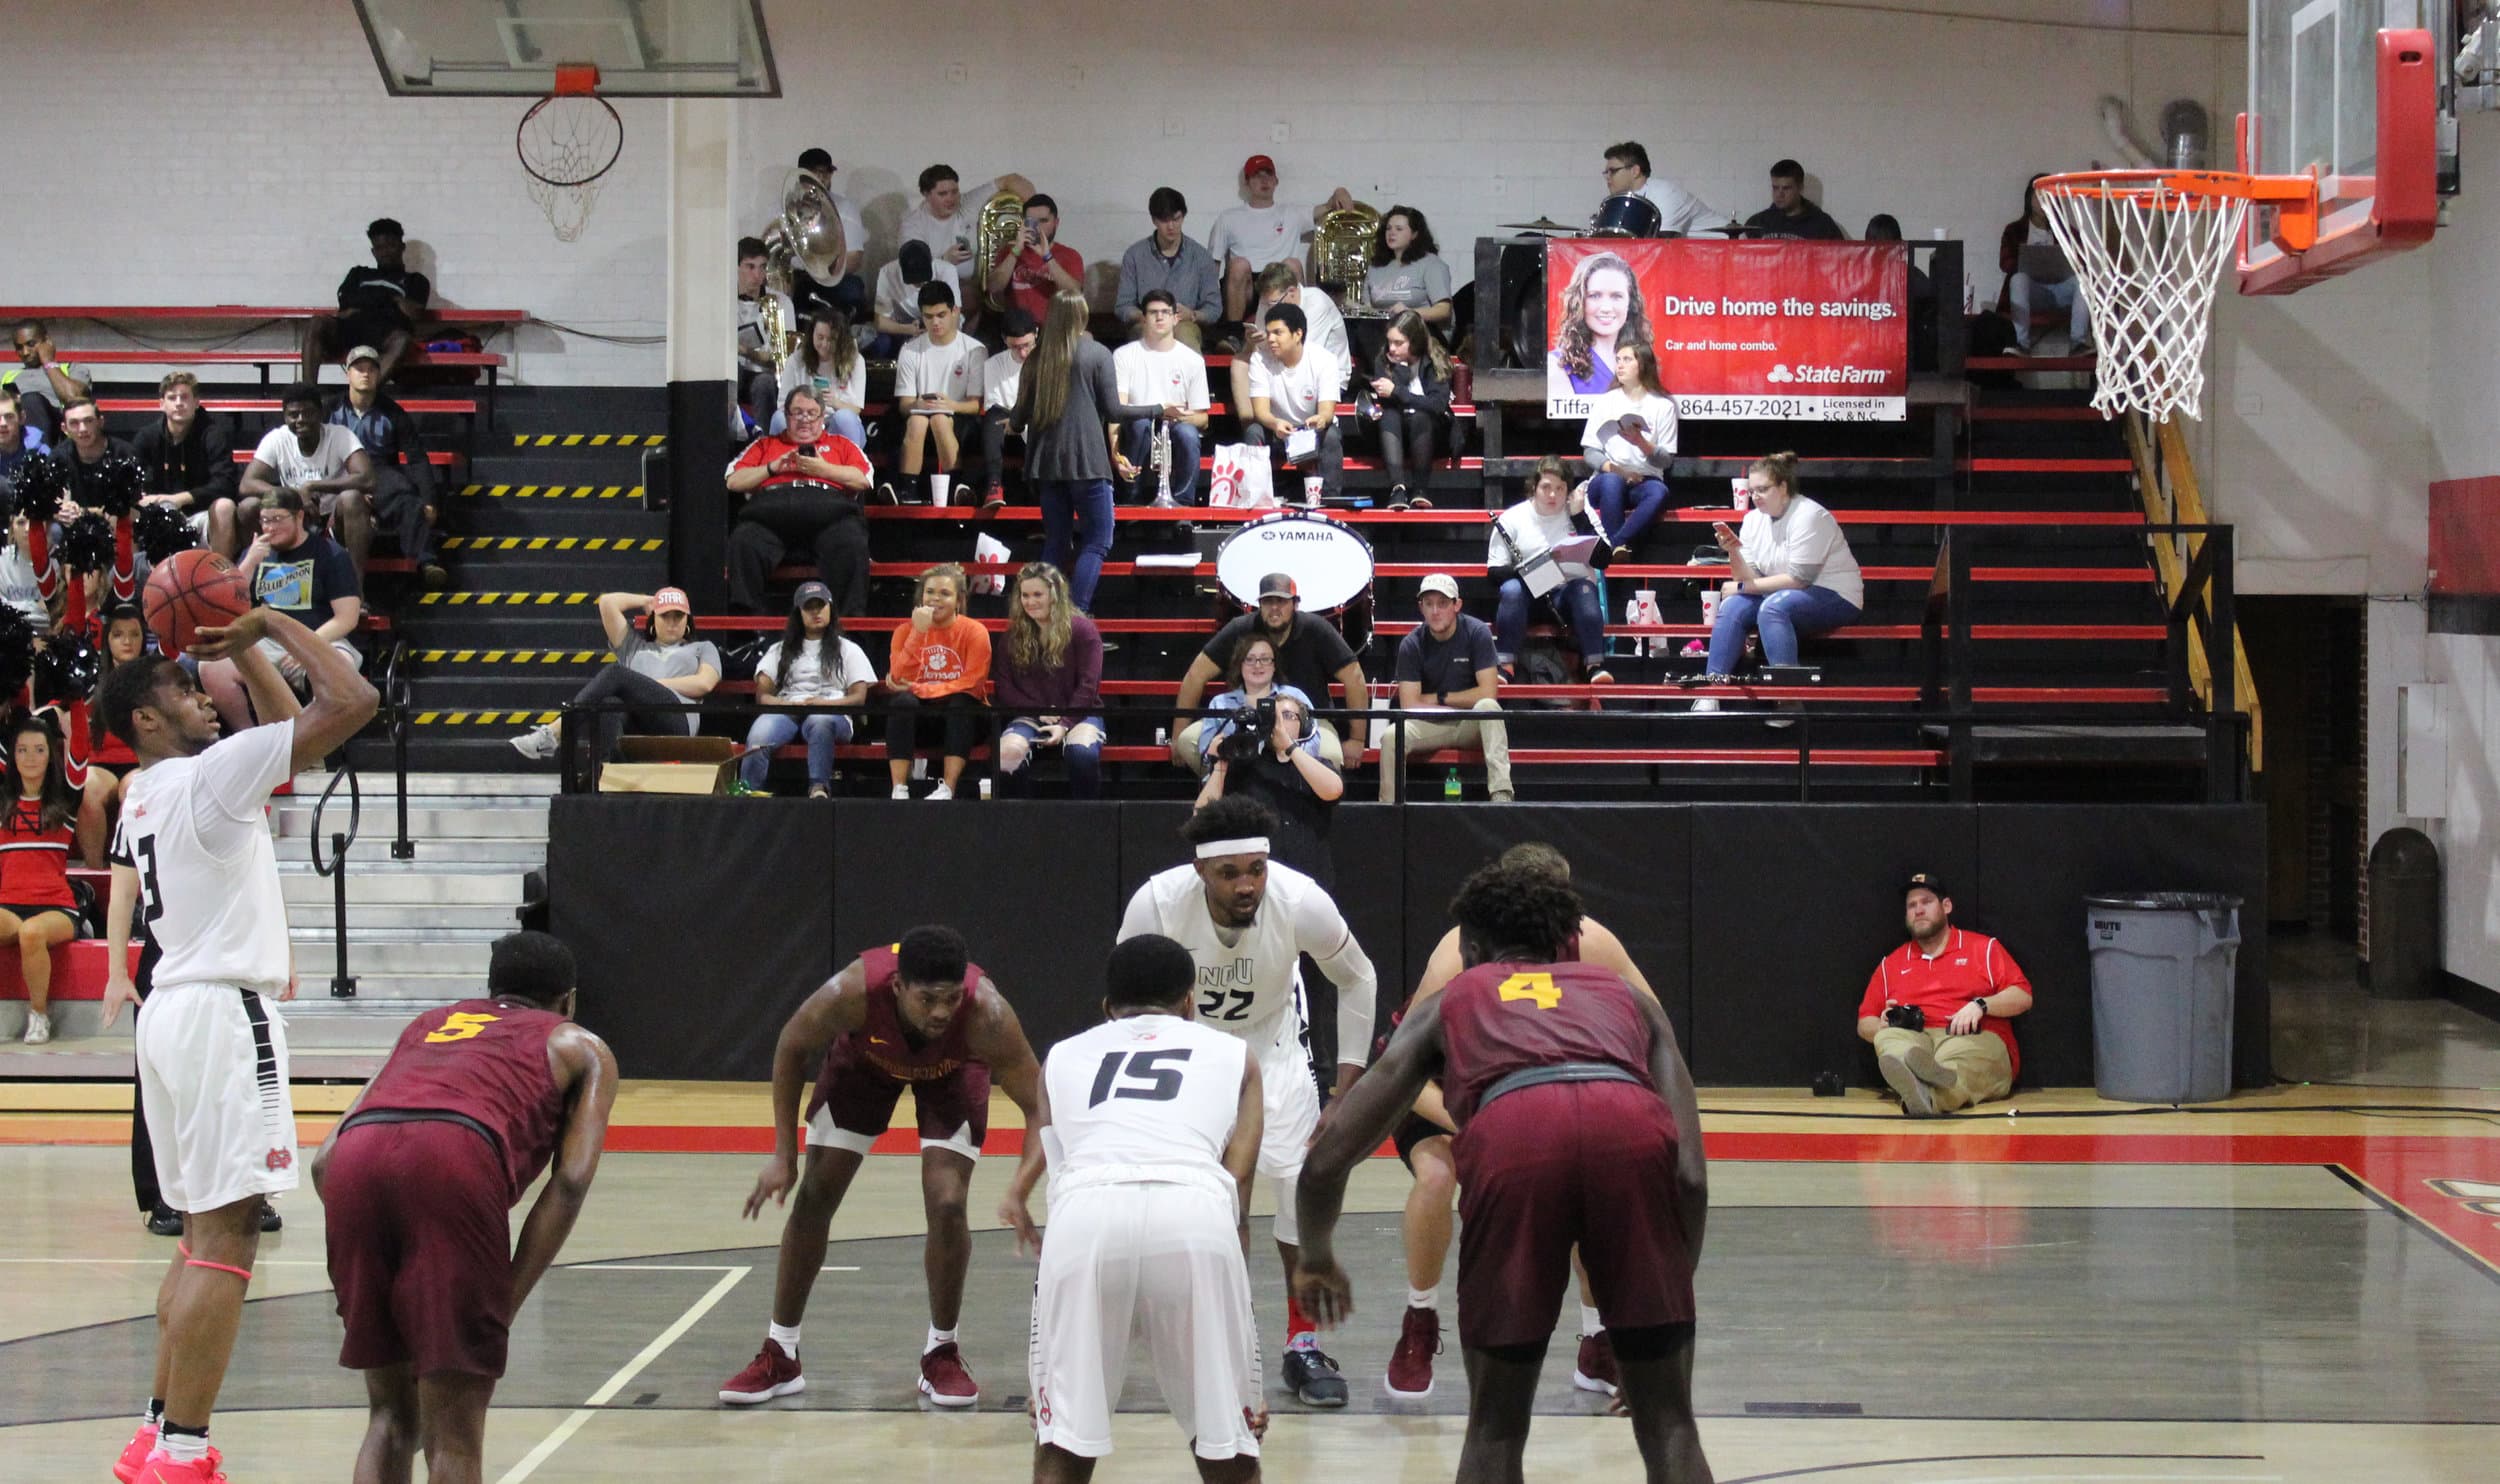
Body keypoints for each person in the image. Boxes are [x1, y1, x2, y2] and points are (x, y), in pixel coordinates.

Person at [1295, 860, 1711, 1484]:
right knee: (1671, 1423)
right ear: (1566, 939)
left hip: (1517, 1136)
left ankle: (1423, 1324)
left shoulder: (1451, 997)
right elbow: (1690, 1177)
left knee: (1494, 1427)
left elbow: (1330, 1155)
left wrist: (1317, 1255)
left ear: (1470, 945)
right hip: (1627, 1127)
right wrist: (1667, 1290)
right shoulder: (1631, 999)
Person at [95, 602, 379, 1484]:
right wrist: (271, 624)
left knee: (195, 1239)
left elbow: (296, 739)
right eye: (185, 688)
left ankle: (155, 1433)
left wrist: (251, 655)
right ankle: (184, 1450)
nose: (203, 695)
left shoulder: (149, 789)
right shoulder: (211, 776)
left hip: (172, 1010)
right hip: (222, 1015)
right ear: (146, 717)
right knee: (227, 1239)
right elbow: (352, 700)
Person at [312, 931, 618, 1484]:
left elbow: (323, 1161)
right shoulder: (579, 1044)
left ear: (489, 989)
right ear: (568, 1000)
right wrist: (506, 1293)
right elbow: (571, 1180)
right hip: (455, 1158)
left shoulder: (428, 1024)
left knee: (389, 1417)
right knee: (453, 1439)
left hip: (354, 1162)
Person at [1116, 797, 1381, 1407]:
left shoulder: (1299, 899)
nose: (1247, 884)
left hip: (1276, 1048)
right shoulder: (1157, 902)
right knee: (1215, 1201)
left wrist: (1346, 1090)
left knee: (1296, 1191)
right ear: (1200, 870)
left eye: (1256, 869)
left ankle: (1302, 1341)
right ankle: (1224, 1337)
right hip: (1190, 1051)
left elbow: (1358, 977)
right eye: (1231, 872)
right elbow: (1124, 992)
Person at [1380, 842, 1662, 1402]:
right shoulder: (1457, 952)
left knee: (1584, 1176)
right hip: (1442, 1088)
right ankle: (1419, 1319)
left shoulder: (1594, 942)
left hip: (1534, 1094)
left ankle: (1597, 1336)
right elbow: (1402, 1072)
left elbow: (1656, 1034)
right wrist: (1478, 1120)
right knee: (1437, 1178)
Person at [723, 925, 1043, 1409]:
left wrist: (1021, 1186)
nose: (941, 1011)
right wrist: (783, 1155)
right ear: (897, 987)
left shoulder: (987, 1016)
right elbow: (791, 1046)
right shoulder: (851, 992)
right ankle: (780, 1353)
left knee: (949, 1203)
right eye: (928, 999)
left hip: (952, 1071)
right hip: (866, 1064)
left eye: (952, 998)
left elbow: (1042, 1107)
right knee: (814, 1196)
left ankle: (942, 1353)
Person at [999, 934, 1266, 1482]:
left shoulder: (1060, 1058)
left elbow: (1062, 1164)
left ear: (1106, 1010)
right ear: (1190, 1002)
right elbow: (1237, 1181)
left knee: (1063, 1440)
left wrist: (1047, 1372)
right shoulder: (1237, 1056)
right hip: (1193, 1212)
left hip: (1088, 1216)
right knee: (1229, 1442)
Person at [1010, 290, 1161, 613]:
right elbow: (1114, 411)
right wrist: (1158, 409)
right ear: (1082, 317)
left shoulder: (1037, 358)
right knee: (1097, 541)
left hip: (1046, 464)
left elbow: (1017, 417)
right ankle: (1076, 614)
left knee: (1056, 542)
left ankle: (1044, 616)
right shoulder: (1096, 354)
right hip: (1088, 461)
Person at [1858, 873, 2034, 1117]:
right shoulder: (1891, 964)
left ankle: (1925, 1091)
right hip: (1917, 1040)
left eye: (1926, 902)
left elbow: (2023, 995)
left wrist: (1981, 1005)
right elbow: (1864, 1021)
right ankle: (1918, 1077)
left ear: (1947, 906)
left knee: (1961, 1059)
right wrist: (1883, 1025)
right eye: (1911, 905)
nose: (1918, 910)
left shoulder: (1983, 948)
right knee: (1890, 1040)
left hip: (1971, 1038)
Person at [1698, 452, 1863, 704]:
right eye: (1752, 490)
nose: (1755, 497)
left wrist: (1742, 586)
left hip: (1836, 594)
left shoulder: (1809, 515)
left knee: (1773, 608)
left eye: (1762, 489)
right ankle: (1711, 691)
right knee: (1733, 606)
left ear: (1783, 487)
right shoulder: (1752, 519)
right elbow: (1747, 576)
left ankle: (1788, 698)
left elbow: (1799, 579)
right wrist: (1732, 551)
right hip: (1779, 593)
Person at [1171, 573, 1370, 776]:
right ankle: (1226, 796)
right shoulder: (1240, 629)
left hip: (1309, 718)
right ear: (1259, 604)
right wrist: (1177, 735)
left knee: (1331, 756)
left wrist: (1357, 739)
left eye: (1281, 601)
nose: (1274, 608)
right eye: (1268, 601)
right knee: (1188, 741)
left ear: (1295, 603)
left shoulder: (1317, 629)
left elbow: (1354, 678)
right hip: (1244, 716)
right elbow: (1196, 675)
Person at [199, 487, 364, 732]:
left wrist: (305, 645)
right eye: (265, 520)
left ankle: (310, 741)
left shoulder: (330, 554)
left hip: (318, 637)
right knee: (211, 665)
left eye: (277, 519)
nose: (270, 528)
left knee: (343, 666)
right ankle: (251, 737)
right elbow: (226, 601)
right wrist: (250, 562)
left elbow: (347, 618)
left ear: (299, 517)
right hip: (266, 641)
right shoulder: (257, 553)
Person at [508, 590, 721, 772]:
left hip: (675, 721)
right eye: (665, 616)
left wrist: (654, 684)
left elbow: (704, 683)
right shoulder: (634, 647)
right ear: (653, 620)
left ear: (688, 622)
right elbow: (607, 602)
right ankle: (607, 773)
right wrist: (645, 600)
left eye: (678, 616)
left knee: (616, 673)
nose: (672, 622)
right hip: (635, 721)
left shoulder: (702, 648)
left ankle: (555, 733)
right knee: (609, 704)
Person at [724, 386, 874, 617]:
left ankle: (849, 633)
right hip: (771, 514)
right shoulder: (765, 445)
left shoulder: (842, 445)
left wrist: (824, 469)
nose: (804, 420)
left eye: (811, 413)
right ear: (786, 416)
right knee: (743, 540)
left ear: (822, 417)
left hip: (829, 514)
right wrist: (772, 469)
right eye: (797, 413)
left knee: (852, 541)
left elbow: (863, 479)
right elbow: (734, 480)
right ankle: (746, 635)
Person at [738, 581, 875, 800]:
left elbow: (858, 697)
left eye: (820, 605)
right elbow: (762, 695)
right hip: (789, 707)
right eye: (808, 607)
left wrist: (823, 704)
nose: (815, 612)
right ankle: (747, 794)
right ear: (798, 613)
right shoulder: (779, 649)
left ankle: (818, 788)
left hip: (831, 711)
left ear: (830, 608)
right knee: (759, 734)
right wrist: (786, 704)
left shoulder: (848, 649)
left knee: (820, 720)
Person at [1382, 574, 1512, 803]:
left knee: (1488, 706)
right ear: (1420, 607)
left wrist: (1438, 697)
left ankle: (1501, 794)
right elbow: (1410, 704)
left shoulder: (1477, 632)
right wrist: (1454, 700)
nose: (1435, 611)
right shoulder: (1411, 644)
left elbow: (1488, 693)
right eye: (1429, 604)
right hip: (1429, 726)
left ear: (1457, 605)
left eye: (1442, 603)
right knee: (1392, 735)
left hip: (1469, 723)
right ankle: (1389, 808)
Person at [329, 345, 447, 589]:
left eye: (371, 369)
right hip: (338, 471)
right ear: (347, 373)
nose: (365, 374)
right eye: (359, 368)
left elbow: (416, 457)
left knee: (408, 499)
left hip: (379, 472)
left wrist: (429, 500)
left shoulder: (393, 412)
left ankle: (427, 563)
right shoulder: (329, 409)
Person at [2, 714, 87, 1045]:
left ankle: (39, 1015)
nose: (30, 758)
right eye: (22, 750)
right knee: (23, 930)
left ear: (51, 755)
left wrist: (76, 704)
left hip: (56, 909)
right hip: (7, 905)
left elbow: (80, 755)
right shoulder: (3, 805)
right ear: (12, 756)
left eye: (39, 750)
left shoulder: (63, 802)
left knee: (32, 932)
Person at [1194, 692, 1343, 882]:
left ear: (1303, 727)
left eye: (1288, 716)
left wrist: (1288, 746)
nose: (1278, 723)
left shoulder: (1317, 764)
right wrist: (1221, 764)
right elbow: (1202, 816)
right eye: (1274, 716)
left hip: (1309, 878)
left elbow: (1333, 791)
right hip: (1257, 879)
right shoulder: (1243, 766)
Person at [1491, 456, 1613, 684]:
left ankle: (1594, 667)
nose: (1553, 495)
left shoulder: (1580, 512)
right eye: (1546, 487)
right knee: (1511, 589)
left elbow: (1604, 559)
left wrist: (1579, 517)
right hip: (1528, 598)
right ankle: (1505, 667)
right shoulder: (1513, 517)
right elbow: (1494, 572)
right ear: (1534, 488)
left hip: (1568, 597)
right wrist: (1530, 571)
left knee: (1585, 589)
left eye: (1560, 488)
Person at [240, 385, 378, 579]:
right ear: (284, 416)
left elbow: (367, 478)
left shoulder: (339, 435)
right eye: (293, 415)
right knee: (248, 506)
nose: (301, 420)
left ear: (321, 413)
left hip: (333, 519)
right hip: (293, 517)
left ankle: (355, 588)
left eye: (308, 413)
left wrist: (312, 486)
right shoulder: (277, 438)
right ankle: (254, 583)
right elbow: (247, 483)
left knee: (352, 498)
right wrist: (294, 495)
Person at [994, 562, 1105, 799]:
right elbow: (1004, 688)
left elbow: (1088, 685)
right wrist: (1039, 711)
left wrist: (1064, 723)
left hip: (1081, 713)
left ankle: (1088, 820)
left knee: (1082, 754)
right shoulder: (1013, 636)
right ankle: (1021, 824)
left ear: (1055, 595)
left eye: (1037, 595)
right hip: (1031, 713)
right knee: (1005, 756)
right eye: (1025, 595)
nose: (1030, 602)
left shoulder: (1083, 629)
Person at [882, 563, 990, 801]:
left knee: (961, 702)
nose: (935, 599)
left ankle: (948, 788)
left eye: (945, 593)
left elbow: (972, 682)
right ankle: (899, 788)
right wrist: (918, 633)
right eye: (930, 592)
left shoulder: (975, 631)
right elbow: (899, 679)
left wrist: (919, 688)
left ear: (959, 600)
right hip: (921, 720)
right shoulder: (904, 630)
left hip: (965, 721)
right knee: (901, 702)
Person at [1207, 155, 1355, 327]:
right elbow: (1213, 264)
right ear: (1247, 182)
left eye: (1268, 175)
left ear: (1276, 181)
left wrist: (1340, 191)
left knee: (1293, 264)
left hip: (1281, 280)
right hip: (1245, 286)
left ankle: (1301, 326)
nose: (1264, 180)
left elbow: (1330, 207)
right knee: (1239, 265)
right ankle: (1233, 333)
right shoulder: (1228, 218)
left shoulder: (1292, 213)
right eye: (1257, 176)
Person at [1112, 291, 1212, 507]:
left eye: (1165, 312)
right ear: (1144, 318)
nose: (1159, 317)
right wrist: (1115, 452)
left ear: (1175, 318)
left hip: (1175, 424)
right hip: (1138, 424)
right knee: (1140, 425)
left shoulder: (1192, 360)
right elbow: (1117, 410)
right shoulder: (1123, 355)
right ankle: (1132, 499)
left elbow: (1203, 419)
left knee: (1187, 434)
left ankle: (1184, 504)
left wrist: (1177, 417)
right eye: (1153, 312)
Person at [303, 218, 433, 384]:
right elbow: (344, 310)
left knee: (403, 340)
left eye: (390, 246)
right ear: (373, 252)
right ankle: (308, 392)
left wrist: (369, 299)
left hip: (385, 332)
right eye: (379, 248)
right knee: (317, 322)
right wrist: (392, 300)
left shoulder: (415, 280)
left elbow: (414, 313)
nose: (385, 252)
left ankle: (364, 396)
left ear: (402, 247)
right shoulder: (358, 273)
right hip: (351, 329)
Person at [1581, 340, 1678, 560]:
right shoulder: (1606, 401)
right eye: (1618, 360)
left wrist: (1641, 442)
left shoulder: (1663, 406)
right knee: (1611, 481)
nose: (1620, 366)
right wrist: (1622, 472)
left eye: (1627, 359)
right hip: (1609, 477)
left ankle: (1616, 544)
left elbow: (1666, 460)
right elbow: (1590, 452)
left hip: (1645, 478)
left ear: (1642, 364)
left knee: (1659, 493)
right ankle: (1618, 545)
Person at [891, 282, 984, 505]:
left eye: (941, 315)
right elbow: (904, 404)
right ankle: (908, 490)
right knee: (917, 421)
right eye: (928, 316)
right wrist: (919, 404)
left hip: (960, 420)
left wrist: (949, 405)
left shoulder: (974, 349)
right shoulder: (910, 349)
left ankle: (955, 486)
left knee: (940, 420)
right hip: (920, 421)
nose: (935, 322)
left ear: (955, 312)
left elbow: (974, 405)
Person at [132, 374, 243, 560]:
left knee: (225, 507)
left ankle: (221, 580)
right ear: (161, 404)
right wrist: (143, 500)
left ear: (196, 402)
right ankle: (133, 580)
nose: (179, 403)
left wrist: (181, 499)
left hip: (201, 516)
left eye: (184, 397)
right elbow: (130, 479)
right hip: (158, 514)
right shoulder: (146, 437)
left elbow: (226, 483)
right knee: (125, 511)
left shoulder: (213, 434)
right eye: (172, 398)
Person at [1243, 303, 1343, 506]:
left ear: (1298, 334)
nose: (1270, 339)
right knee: (1253, 431)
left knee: (1332, 434)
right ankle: (1256, 499)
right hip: (1278, 431)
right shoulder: (1259, 359)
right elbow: (1260, 412)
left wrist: (1320, 419)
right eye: (1269, 333)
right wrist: (1275, 424)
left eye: (1278, 333)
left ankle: (1331, 501)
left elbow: (1327, 412)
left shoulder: (1324, 360)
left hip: (1311, 432)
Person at [1230, 261, 1348, 429]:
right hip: (1278, 364)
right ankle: (1252, 429)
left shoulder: (1317, 302)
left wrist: (1268, 341)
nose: (1270, 308)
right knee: (1239, 364)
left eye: (1273, 303)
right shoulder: (1269, 302)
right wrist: (1251, 343)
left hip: (1316, 374)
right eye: (1266, 303)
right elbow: (1259, 353)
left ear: (1291, 292)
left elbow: (1301, 352)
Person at [897, 165, 1038, 299]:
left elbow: (1011, 179)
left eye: (954, 191)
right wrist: (945, 261)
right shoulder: (913, 225)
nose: (951, 199)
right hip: (928, 295)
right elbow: (914, 277)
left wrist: (1034, 220)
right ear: (926, 194)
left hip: (971, 289)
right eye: (942, 194)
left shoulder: (965, 203)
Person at [1362, 310, 1454, 510]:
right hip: (1395, 433)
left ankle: (1420, 489)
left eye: (1398, 343)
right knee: (1389, 415)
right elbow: (1387, 404)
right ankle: (1398, 488)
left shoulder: (1435, 359)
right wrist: (1401, 370)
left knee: (1421, 416)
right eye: (1390, 342)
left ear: (1415, 341)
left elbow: (1437, 404)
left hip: (1431, 432)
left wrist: (1397, 391)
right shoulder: (1384, 360)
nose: (1392, 348)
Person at [1193, 632, 1315, 776]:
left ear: (1274, 665)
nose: (1257, 665)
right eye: (1249, 659)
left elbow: (1312, 742)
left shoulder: (1295, 696)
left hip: (1289, 774)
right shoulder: (1220, 702)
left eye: (1265, 659)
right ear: (1240, 665)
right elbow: (1206, 754)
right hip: (1234, 776)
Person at [1115, 188, 1224, 345]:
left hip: (1185, 324)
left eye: (1176, 219)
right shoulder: (1135, 255)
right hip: (1146, 324)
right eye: (1165, 220)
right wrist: (1144, 316)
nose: (1171, 226)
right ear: (1154, 220)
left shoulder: (1200, 256)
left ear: (1183, 217)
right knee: (1148, 335)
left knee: (1184, 334)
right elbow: (1123, 306)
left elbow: (1214, 308)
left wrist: (1192, 315)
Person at [1999, 172, 2089, 354]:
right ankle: (2021, 343)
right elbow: (2004, 263)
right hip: (2033, 293)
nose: (2043, 202)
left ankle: (2078, 342)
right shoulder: (2015, 230)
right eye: (2038, 196)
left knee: (2084, 282)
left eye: (2048, 197)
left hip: (2061, 292)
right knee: (2018, 279)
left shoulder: (2067, 232)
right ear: (2029, 199)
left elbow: (2083, 263)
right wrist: (2025, 262)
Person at [1548, 250, 1651, 400]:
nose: (1606, 308)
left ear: (1631, 303)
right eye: (1595, 296)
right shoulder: (1558, 365)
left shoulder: (1642, 359)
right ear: (1579, 301)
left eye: (1616, 296)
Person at [785, 148, 869, 322]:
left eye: (827, 173)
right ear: (802, 174)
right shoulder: (785, 206)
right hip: (796, 277)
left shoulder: (845, 208)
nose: (823, 178)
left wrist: (824, 273)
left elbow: (854, 258)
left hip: (833, 278)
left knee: (853, 289)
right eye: (817, 173)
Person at [773, 311, 870, 447]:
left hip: (836, 423)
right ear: (812, 335)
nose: (824, 344)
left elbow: (856, 409)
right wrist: (803, 410)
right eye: (820, 337)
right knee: (778, 418)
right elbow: (782, 405)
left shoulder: (856, 360)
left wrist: (834, 402)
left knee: (845, 418)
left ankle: (851, 465)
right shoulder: (796, 360)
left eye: (830, 339)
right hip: (804, 422)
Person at [986, 193, 1084, 327]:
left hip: (1055, 330)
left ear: (1056, 223)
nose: (1038, 227)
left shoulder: (1069, 255)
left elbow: (1074, 293)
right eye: (1031, 221)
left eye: (1043, 221)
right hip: (1018, 331)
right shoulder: (1009, 252)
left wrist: (1047, 257)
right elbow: (994, 287)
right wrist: (1015, 251)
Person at [1602, 140, 1735, 237]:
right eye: (1606, 172)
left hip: (1727, 250)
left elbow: (1664, 242)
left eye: (1612, 171)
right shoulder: (1631, 201)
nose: (1607, 177)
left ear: (1635, 171)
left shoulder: (1664, 193)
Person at [977, 308, 1039, 512]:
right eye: (1015, 347)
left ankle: (1037, 496)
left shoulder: (1047, 361)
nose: (1022, 353)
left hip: (1036, 423)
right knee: (993, 418)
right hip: (1005, 425)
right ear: (1004, 340)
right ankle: (994, 485)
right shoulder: (994, 364)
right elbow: (992, 403)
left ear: (1036, 335)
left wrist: (1020, 419)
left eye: (1026, 346)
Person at [1363, 206, 1454, 335]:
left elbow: (1444, 310)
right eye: (1388, 228)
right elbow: (1367, 308)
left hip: (1421, 334)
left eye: (1399, 229)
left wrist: (1410, 313)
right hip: (1382, 333)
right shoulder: (1375, 267)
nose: (1391, 233)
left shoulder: (1431, 264)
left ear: (1414, 234)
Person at [736, 235, 796, 431]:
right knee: (724, 379)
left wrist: (745, 350)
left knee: (764, 384)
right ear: (737, 268)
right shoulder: (724, 300)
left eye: (762, 267)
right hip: (734, 369)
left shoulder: (782, 302)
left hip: (764, 372)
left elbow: (783, 357)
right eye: (750, 266)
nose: (757, 274)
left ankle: (764, 443)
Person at [7, 319, 92, 437]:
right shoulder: (8, 377)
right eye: (19, 347)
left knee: (31, 399)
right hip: (16, 435)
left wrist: (48, 362)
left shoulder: (71, 369)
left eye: (31, 344)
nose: (25, 352)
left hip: (60, 433)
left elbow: (74, 399)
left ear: (47, 341)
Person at [1743, 159, 1846, 241]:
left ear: (1800, 187)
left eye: (1786, 188)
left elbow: (1839, 261)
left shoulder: (1822, 225)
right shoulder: (1756, 223)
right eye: (1775, 188)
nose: (1779, 194)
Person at [871, 240, 938, 356]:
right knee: (881, 343)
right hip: (900, 327)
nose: (919, 284)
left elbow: (951, 316)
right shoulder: (887, 273)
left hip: (932, 326)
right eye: (915, 280)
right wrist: (907, 329)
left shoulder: (944, 270)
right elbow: (880, 322)